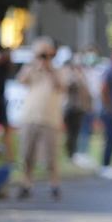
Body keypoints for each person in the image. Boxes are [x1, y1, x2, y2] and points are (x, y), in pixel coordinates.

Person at [17, 38, 66, 200]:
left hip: (50, 119)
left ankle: (54, 185)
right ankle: (26, 183)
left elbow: (61, 85)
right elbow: (21, 80)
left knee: (51, 156)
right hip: (30, 116)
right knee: (26, 153)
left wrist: (48, 67)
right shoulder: (31, 68)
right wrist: (34, 64)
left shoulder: (57, 70)